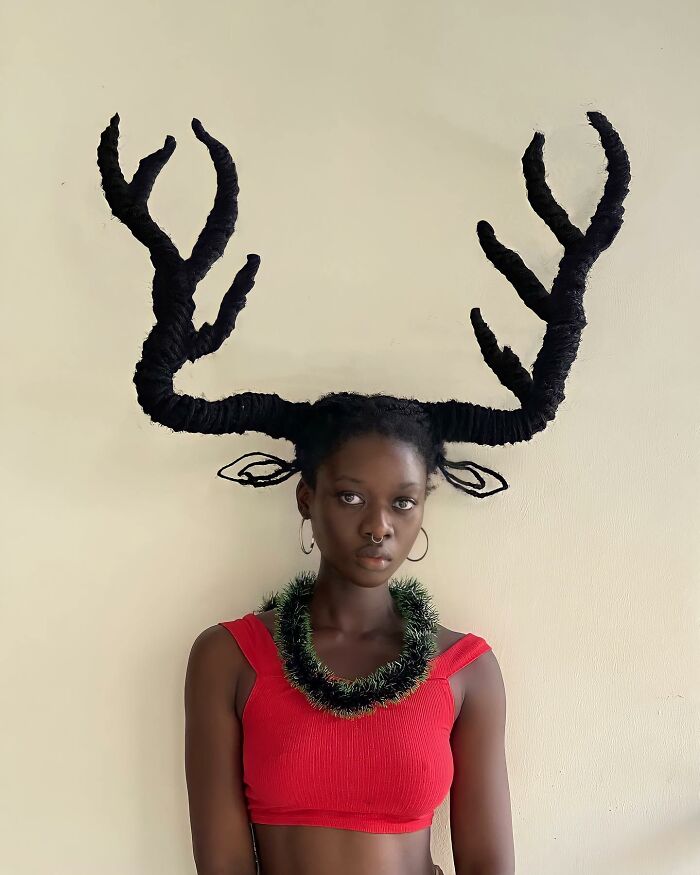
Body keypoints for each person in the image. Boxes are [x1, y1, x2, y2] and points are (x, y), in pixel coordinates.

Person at [96, 109, 630, 875]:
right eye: (351, 497)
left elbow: (490, 865)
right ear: (305, 498)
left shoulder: (466, 670)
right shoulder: (228, 658)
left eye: (402, 501)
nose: (379, 524)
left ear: (425, 507)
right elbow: (223, 865)